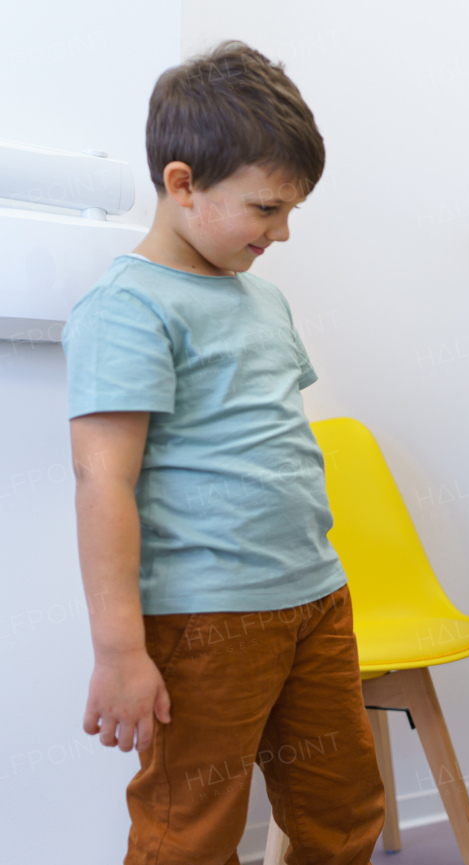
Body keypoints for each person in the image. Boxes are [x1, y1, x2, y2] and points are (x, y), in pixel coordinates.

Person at [63, 42, 384, 863]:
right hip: (204, 623)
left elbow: (270, 446)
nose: (280, 232)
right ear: (182, 185)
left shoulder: (264, 299)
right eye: (266, 208)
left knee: (342, 807)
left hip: (314, 600)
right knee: (190, 830)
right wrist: (120, 649)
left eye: (290, 212)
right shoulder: (127, 308)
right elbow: (103, 480)